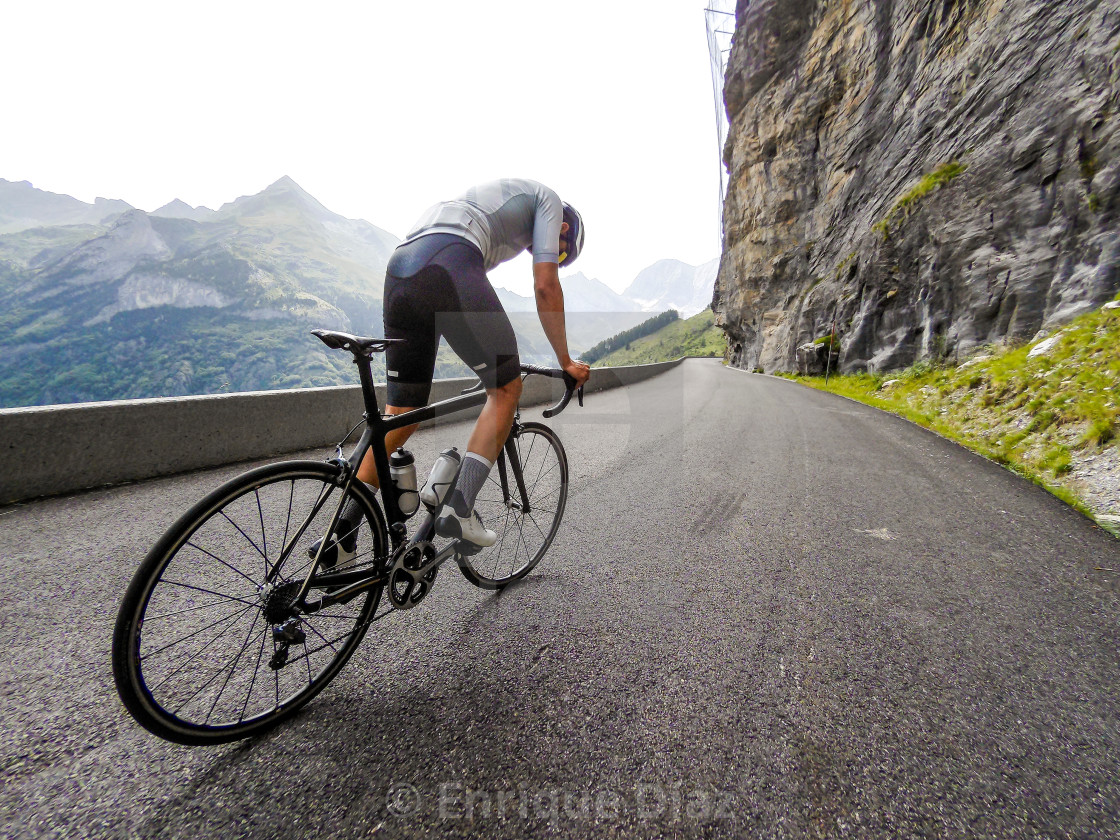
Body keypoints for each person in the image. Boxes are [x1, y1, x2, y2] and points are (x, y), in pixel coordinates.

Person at [331, 178, 590, 556]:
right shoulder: (548, 200)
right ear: (563, 229)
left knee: (402, 413)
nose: (555, 256)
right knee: (505, 388)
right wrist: (565, 361)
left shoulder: (488, 209)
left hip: (402, 266)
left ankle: (342, 534)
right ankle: (460, 508)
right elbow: (545, 285)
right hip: (450, 261)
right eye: (563, 254)